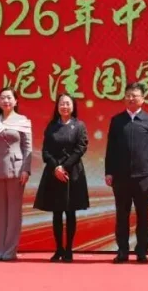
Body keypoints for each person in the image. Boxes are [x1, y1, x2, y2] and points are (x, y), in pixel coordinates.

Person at [105, 83, 148, 263]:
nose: (131, 98)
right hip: (120, 177)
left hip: (143, 176)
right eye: (128, 95)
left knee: (143, 215)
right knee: (122, 215)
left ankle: (141, 250)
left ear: (142, 99)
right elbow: (110, 148)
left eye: (134, 95)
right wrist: (109, 171)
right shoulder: (117, 120)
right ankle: (122, 251)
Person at [34, 94, 90, 263]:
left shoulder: (79, 125)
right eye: (61, 104)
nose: (64, 107)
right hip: (54, 172)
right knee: (56, 212)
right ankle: (59, 248)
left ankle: (69, 249)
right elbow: (45, 151)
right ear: (57, 107)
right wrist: (56, 167)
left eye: (67, 103)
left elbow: (81, 148)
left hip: (72, 172)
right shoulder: (52, 126)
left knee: (70, 211)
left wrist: (65, 167)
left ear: (73, 106)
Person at [0, 87, 32, 261]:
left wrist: (26, 169)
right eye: (2, 98)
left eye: (9, 98)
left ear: (16, 101)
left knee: (14, 213)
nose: (6, 101)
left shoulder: (23, 121)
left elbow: (27, 147)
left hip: (16, 170)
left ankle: (9, 251)